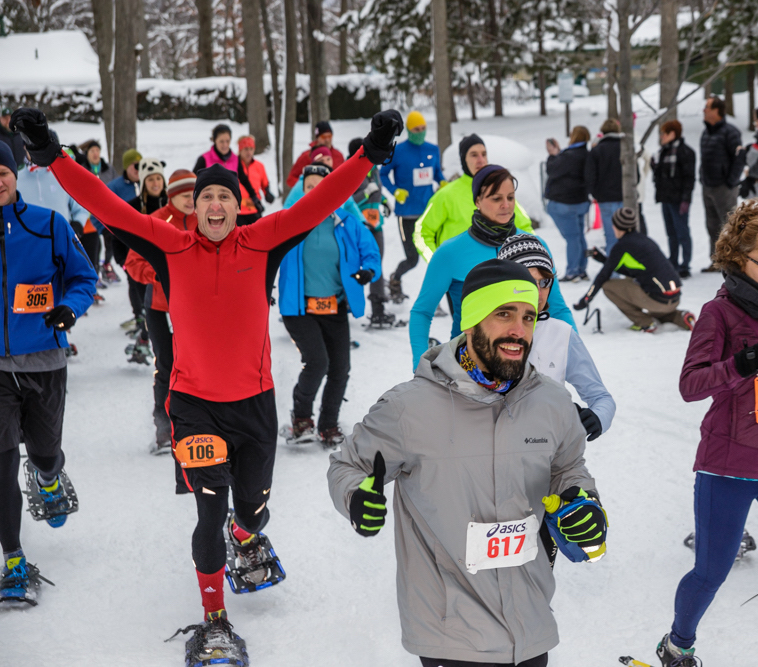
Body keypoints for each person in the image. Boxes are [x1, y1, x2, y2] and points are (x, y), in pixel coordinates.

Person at [12, 105, 402, 663]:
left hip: (255, 407)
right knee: (209, 512)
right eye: (205, 198)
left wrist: (369, 153)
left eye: (224, 197)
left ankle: (247, 536)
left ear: (237, 205)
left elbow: (322, 200)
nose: (214, 204)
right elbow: (105, 203)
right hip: (194, 406)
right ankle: (215, 619)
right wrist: (51, 155)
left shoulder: (263, 241)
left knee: (251, 510)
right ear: (192, 208)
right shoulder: (170, 247)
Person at [328, 258, 606, 667]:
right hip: (449, 634)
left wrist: (583, 501)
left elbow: (569, 468)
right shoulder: (409, 407)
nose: (519, 330)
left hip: (530, 625)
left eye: (528, 317)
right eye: (504, 314)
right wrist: (355, 499)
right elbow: (347, 466)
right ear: (472, 320)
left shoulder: (552, 401)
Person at [655, 199, 758, 667]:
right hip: (728, 464)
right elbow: (690, 384)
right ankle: (678, 643)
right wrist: (740, 365)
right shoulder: (718, 315)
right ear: (739, 257)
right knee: (711, 571)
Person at [0, 140, 97, 603]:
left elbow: (84, 277)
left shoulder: (48, 224)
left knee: (43, 450)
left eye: (1, 170)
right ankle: (14, 559)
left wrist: (68, 309)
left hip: (44, 361)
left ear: (15, 174)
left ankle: (48, 475)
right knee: (1, 467)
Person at [409, 165, 575, 370]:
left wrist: (574, 355)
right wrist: (419, 364)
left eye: (511, 197)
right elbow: (422, 312)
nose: (506, 205)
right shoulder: (450, 252)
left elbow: (558, 307)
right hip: (470, 366)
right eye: (496, 198)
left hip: (526, 360)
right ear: (478, 201)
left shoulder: (535, 246)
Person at [278, 163, 382, 448]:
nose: (314, 191)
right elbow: (263, 251)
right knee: (317, 362)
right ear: (302, 190)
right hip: (298, 308)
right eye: (309, 186)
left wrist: (368, 271)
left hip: (334, 306)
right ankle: (301, 419)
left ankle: (328, 424)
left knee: (340, 367)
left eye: (320, 186)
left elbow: (371, 252)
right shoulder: (289, 222)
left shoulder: (346, 221)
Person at [497, 234, 615, 440]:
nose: (540, 292)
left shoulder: (562, 334)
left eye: (545, 282)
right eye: (530, 282)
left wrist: (597, 417)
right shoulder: (482, 333)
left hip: (547, 457)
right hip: (493, 458)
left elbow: (602, 397)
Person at [124, 169, 198, 452]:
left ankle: (194, 423)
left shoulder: (206, 220)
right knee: (166, 366)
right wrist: (159, 275)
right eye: (183, 195)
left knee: (195, 367)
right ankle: (164, 428)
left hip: (197, 310)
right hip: (160, 306)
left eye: (194, 194)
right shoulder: (156, 222)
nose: (190, 200)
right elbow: (133, 262)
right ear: (172, 196)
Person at [413, 134, 534, 266]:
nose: (481, 160)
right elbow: (421, 232)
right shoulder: (446, 195)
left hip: (498, 277)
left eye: (484, 154)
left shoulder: (500, 192)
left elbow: (525, 228)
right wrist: (436, 264)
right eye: (474, 155)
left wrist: (528, 260)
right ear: (464, 159)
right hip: (459, 280)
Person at [573, 207, 696, 333]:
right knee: (652, 298)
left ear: (617, 226)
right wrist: (603, 259)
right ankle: (680, 317)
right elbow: (633, 271)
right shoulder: (644, 240)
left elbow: (602, 276)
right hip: (674, 297)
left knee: (608, 286)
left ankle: (645, 323)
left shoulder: (621, 246)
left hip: (657, 299)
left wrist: (586, 299)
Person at [379, 111, 445, 299]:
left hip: (429, 214)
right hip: (406, 214)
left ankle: (435, 296)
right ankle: (395, 279)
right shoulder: (398, 151)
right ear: (409, 130)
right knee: (412, 259)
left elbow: (437, 173)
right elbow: (383, 174)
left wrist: (443, 182)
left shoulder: (433, 150)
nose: (421, 132)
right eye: (417, 129)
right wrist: (395, 191)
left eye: (423, 128)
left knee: (435, 257)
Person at [123, 157, 169, 364]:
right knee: (148, 308)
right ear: (143, 183)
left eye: (159, 178)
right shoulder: (133, 207)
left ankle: (144, 339)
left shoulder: (172, 205)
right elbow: (119, 236)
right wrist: (122, 260)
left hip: (167, 271)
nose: (155, 183)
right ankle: (144, 339)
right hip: (140, 268)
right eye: (150, 180)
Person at [348, 137, 394, 326]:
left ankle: (378, 309)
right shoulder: (350, 170)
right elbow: (348, 200)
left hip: (376, 224)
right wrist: (366, 192)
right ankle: (345, 303)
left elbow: (377, 190)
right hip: (359, 226)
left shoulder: (373, 168)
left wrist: (383, 201)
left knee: (377, 263)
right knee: (353, 264)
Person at [700, 95, 746, 272]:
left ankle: (733, 262)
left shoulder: (730, 131)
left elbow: (739, 158)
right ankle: (717, 260)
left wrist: (731, 181)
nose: (704, 110)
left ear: (717, 111)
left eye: (708, 107)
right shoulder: (706, 132)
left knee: (729, 226)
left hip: (724, 188)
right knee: (712, 226)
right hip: (708, 186)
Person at [544, 126, 591, 282]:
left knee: (572, 238)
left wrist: (552, 155)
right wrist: (559, 153)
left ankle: (572, 271)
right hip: (581, 200)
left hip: (565, 202)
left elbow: (553, 169)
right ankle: (581, 269)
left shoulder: (570, 156)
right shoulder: (585, 154)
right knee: (579, 236)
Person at [651, 120, 696, 279]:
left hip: (679, 199)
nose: (661, 137)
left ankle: (685, 264)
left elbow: (689, 178)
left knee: (682, 231)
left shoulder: (685, 152)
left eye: (664, 133)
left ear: (672, 134)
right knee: (671, 233)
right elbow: (659, 176)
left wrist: (686, 199)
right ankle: (673, 261)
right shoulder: (662, 152)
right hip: (666, 198)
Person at [76, 139, 117, 282]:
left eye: (97, 151)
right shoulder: (81, 168)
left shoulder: (108, 168)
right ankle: (94, 272)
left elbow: (114, 188)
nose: (95, 154)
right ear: (87, 154)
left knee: (110, 240)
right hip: (88, 214)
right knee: (95, 244)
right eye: (92, 151)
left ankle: (107, 264)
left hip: (106, 212)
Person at [585, 119, 624, 253]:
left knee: (610, 236)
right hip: (624, 196)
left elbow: (590, 175)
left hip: (605, 198)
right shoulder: (624, 148)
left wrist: (595, 193)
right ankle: (627, 269)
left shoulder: (597, 150)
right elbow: (635, 174)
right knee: (625, 236)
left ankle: (614, 271)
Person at [286, 120, 345, 189]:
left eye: (329, 136)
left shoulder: (338, 155)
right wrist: (308, 185)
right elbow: (290, 179)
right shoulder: (307, 156)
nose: (327, 140)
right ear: (317, 138)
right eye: (323, 137)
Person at [237, 134, 273, 225]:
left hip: (254, 208)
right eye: (246, 149)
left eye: (251, 149)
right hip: (237, 211)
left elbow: (265, 184)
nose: (249, 152)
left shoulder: (259, 166)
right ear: (240, 150)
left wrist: (267, 193)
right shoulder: (233, 166)